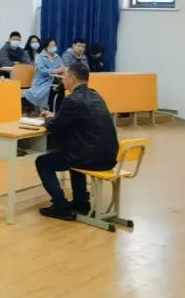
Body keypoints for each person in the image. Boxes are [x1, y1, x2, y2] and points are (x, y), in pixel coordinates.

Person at [35, 63, 119, 221]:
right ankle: (81, 202)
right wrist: (56, 117)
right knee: (73, 155)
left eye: (64, 76)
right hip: (109, 156)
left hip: (91, 158)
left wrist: (48, 119)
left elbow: (53, 126)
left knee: (43, 162)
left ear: (72, 78)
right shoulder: (95, 95)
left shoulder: (72, 100)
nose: (63, 80)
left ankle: (60, 206)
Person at [22, 38, 64, 112]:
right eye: (51, 46)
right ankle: (46, 109)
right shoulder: (40, 57)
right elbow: (42, 71)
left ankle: (56, 109)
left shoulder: (57, 57)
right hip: (41, 81)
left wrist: (62, 70)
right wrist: (55, 71)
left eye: (54, 45)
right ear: (45, 47)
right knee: (49, 89)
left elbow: (61, 67)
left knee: (61, 88)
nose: (53, 47)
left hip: (54, 80)